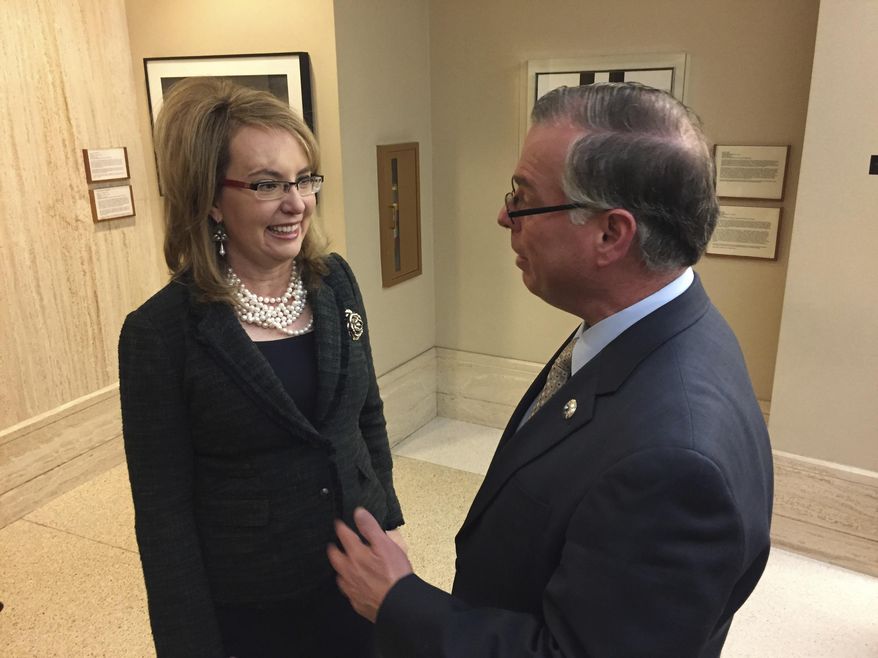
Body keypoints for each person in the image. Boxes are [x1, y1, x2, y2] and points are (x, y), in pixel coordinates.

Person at [328, 82, 774, 657]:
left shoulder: (673, 462)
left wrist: (398, 600)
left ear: (611, 234)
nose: (502, 215)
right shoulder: (653, 327)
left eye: (523, 196)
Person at [119, 77, 404, 658]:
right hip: (254, 608)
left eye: (304, 179)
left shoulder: (336, 283)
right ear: (208, 198)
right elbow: (163, 515)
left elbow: (364, 413)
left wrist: (388, 525)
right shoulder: (161, 334)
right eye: (267, 184)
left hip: (360, 583)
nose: (296, 203)